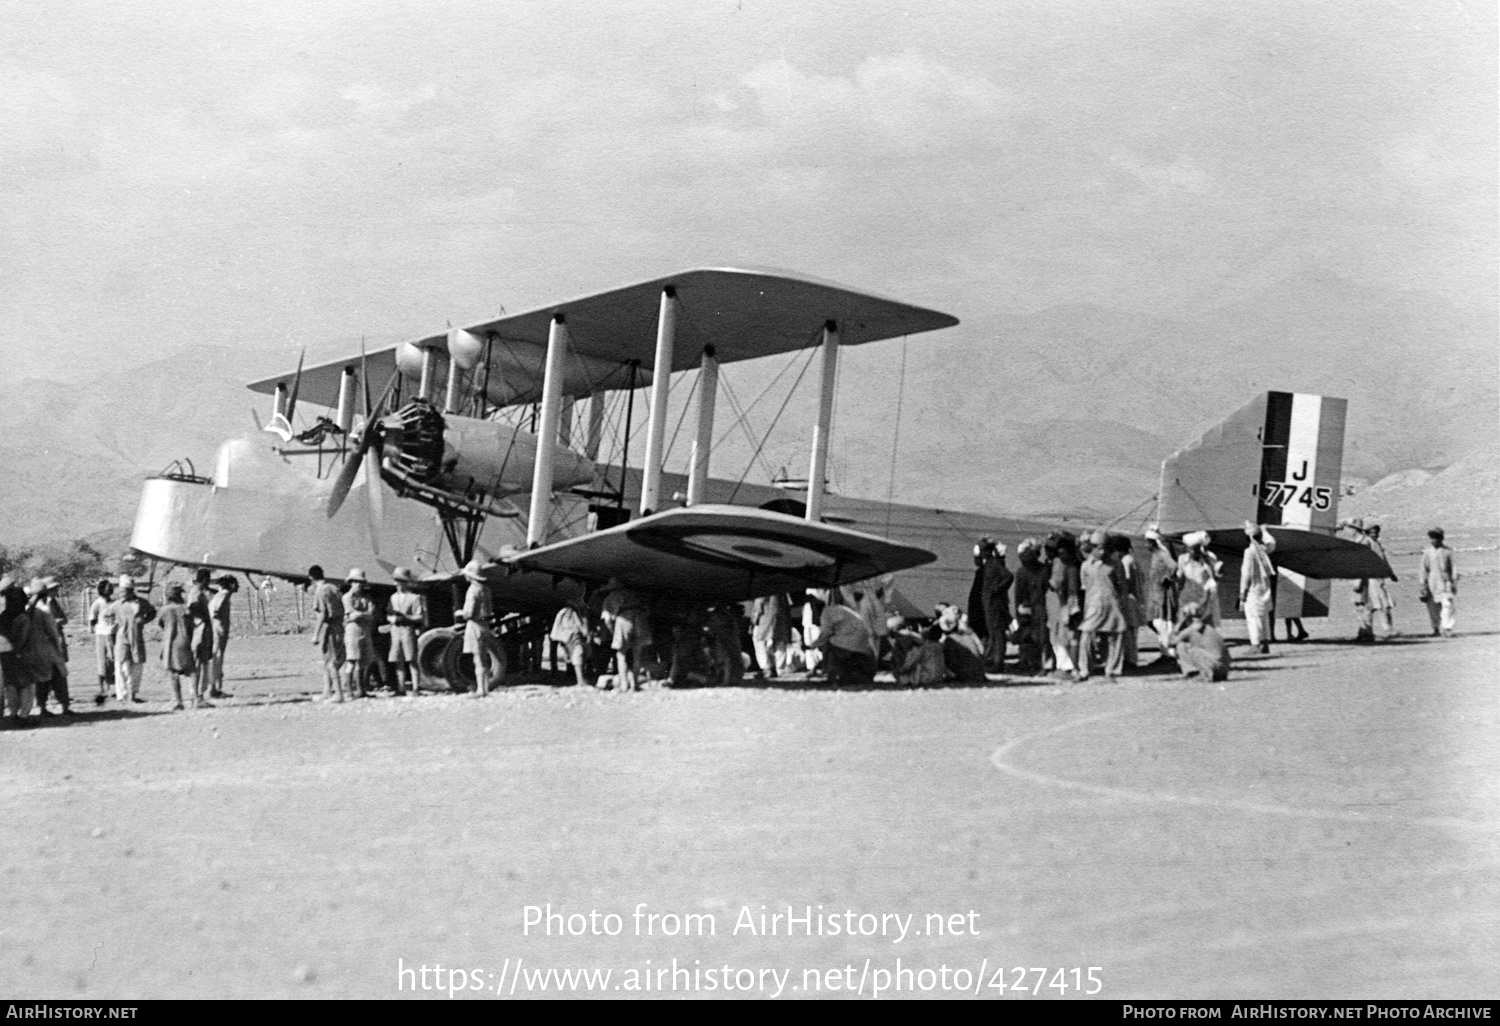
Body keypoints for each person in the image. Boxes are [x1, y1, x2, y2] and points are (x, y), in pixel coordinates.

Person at [1077, 532, 1126, 681]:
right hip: (1093, 606)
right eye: (1098, 548)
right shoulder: (1085, 566)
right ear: (1091, 548)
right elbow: (1085, 588)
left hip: (1112, 605)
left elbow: (1122, 586)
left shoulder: (1116, 564)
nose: (1102, 552)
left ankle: (1112, 670)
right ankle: (1084, 670)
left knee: (1115, 636)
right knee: (1086, 635)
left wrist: (1121, 604)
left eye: (1105, 548)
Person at [813, 588, 877, 689]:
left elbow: (825, 634)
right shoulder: (842, 610)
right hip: (864, 649)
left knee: (828, 644)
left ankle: (831, 675)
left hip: (850, 647)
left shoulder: (827, 611)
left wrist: (812, 645)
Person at [25, 578, 71, 716]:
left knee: (41, 680)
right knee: (59, 677)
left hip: (33, 650)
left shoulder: (27, 609)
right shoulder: (43, 610)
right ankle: (64, 707)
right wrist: (58, 649)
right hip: (47, 648)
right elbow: (52, 632)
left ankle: (43, 708)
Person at [599, 577, 653, 692]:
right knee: (637, 654)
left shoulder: (610, 598)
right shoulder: (634, 594)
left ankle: (624, 685)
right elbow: (647, 610)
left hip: (624, 619)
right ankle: (634, 684)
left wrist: (613, 632)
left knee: (621, 654)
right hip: (640, 618)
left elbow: (607, 619)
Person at [110, 575, 155, 703]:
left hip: (137, 638)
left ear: (131, 591)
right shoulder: (116, 605)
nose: (122, 594)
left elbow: (152, 612)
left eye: (125, 591)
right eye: (121, 591)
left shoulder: (141, 603)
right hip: (122, 638)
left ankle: (132, 694)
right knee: (122, 666)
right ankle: (122, 695)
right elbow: (107, 618)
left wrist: (144, 621)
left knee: (137, 666)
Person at [156, 583, 200, 710]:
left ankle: (178, 701)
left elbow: (161, 624)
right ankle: (195, 698)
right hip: (185, 641)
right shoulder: (185, 608)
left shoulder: (165, 610)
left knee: (173, 672)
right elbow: (192, 624)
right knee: (192, 671)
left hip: (170, 643)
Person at [386, 567, 428, 696]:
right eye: (396, 581)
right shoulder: (393, 598)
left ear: (406, 582)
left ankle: (416, 687)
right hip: (395, 630)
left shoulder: (414, 598)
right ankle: (401, 687)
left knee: (411, 659)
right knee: (398, 660)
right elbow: (388, 614)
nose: (397, 584)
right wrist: (392, 618)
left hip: (408, 629)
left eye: (400, 581)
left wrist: (405, 617)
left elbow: (420, 616)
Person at [1046, 532, 1082, 677]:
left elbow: (1072, 591)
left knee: (1067, 638)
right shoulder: (1068, 565)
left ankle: (1069, 668)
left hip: (1069, 606)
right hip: (1063, 605)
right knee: (1063, 637)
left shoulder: (1070, 568)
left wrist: (1071, 609)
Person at [1012, 538, 1050, 676]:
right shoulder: (1024, 572)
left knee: (1040, 638)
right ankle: (1029, 663)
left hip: (1040, 608)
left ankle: (1040, 664)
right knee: (1029, 638)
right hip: (1030, 609)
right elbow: (1019, 596)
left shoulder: (1042, 570)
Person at [307, 565, 346, 700]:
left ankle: (338, 693)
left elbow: (322, 614)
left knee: (330, 662)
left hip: (330, 628)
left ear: (311, 578)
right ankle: (327, 691)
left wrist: (315, 634)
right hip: (340, 627)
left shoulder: (321, 591)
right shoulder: (334, 588)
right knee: (329, 660)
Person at [1239, 521, 1278, 653]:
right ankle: (1265, 643)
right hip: (1264, 587)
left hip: (1253, 588)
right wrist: (1265, 531)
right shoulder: (1264, 549)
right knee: (1264, 615)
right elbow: (1272, 542)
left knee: (1252, 617)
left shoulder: (1249, 552)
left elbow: (1246, 573)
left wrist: (1242, 591)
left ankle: (1255, 645)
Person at [1143, 527, 1180, 666]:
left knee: (1163, 622)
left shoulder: (1161, 553)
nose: (1145, 545)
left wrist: (1167, 578)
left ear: (1153, 542)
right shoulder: (1155, 555)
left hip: (1163, 593)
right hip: (1156, 592)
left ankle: (1169, 655)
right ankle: (1167, 652)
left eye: (1147, 542)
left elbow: (1174, 566)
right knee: (1158, 622)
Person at [1, 576, 34, 724]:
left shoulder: (3, 617)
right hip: (19, 653)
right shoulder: (22, 618)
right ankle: (23, 716)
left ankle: (14, 713)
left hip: (6, 653)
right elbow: (21, 638)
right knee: (26, 684)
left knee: (11, 684)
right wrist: (19, 651)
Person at [977, 540, 1014, 673]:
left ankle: (998, 662)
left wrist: (997, 589)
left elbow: (1009, 576)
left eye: (983, 550)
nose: (981, 553)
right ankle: (994, 659)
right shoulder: (988, 564)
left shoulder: (995, 563)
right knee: (993, 632)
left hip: (994, 604)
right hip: (989, 603)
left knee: (997, 633)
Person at [1169, 603, 1230, 682]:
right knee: (1197, 647)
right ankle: (1215, 674)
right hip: (1224, 667)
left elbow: (1171, 643)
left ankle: (1195, 673)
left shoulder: (1192, 628)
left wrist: (1180, 622)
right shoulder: (1209, 627)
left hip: (1213, 666)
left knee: (1182, 646)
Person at [342, 569, 378, 697]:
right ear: (351, 582)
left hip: (364, 630)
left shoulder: (366, 598)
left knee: (363, 661)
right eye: (356, 581)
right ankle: (349, 691)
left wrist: (360, 615)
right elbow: (352, 615)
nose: (358, 584)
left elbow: (371, 615)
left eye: (360, 582)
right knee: (351, 660)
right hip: (353, 631)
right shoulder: (347, 597)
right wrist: (364, 615)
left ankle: (361, 689)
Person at [1419, 527, 1458, 637]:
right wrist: (1422, 584)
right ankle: (1436, 628)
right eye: (1432, 538)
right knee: (1433, 607)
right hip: (1432, 583)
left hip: (1446, 582)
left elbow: (1453, 567)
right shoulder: (1427, 552)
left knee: (1447, 605)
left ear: (1441, 538)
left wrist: (1454, 581)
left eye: (1436, 538)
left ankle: (1447, 628)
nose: (1433, 540)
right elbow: (1423, 569)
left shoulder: (1448, 551)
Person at [1176, 532, 1222, 626]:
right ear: (1187, 549)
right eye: (1191, 549)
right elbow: (1180, 577)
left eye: (1196, 549)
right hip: (1188, 593)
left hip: (1204, 594)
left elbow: (1217, 575)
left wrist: (1211, 585)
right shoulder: (1183, 559)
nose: (1193, 552)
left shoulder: (1208, 558)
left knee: (1205, 619)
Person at [936, 603, 987, 682]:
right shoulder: (969, 636)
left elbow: (951, 662)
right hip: (979, 673)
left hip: (967, 675)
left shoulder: (951, 640)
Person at [549, 596, 592, 688]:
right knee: (578, 655)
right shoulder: (568, 612)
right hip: (572, 636)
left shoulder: (567, 612)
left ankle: (580, 679)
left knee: (577, 655)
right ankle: (580, 680)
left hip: (571, 637)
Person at [186, 568, 215, 701]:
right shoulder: (196, 594)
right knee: (199, 663)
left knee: (202, 662)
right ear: (204, 579)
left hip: (202, 630)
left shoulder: (197, 592)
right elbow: (194, 613)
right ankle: (196, 695)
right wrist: (202, 626)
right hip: (200, 632)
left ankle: (199, 694)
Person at [749, 592, 792, 679]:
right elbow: (788, 606)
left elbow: (758, 608)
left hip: (765, 622)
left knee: (761, 644)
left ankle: (767, 669)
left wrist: (752, 623)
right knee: (780, 645)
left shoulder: (763, 590)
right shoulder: (783, 592)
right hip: (781, 621)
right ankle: (779, 670)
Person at [207, 576, 237, 697]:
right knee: (217, 657)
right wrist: (218, 625)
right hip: (218, 631)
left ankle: (216, 687)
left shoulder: (221, 595)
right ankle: (213, 689)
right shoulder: (223, 595)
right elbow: (214, 610)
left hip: (218, 631)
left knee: (218, 657)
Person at [88, 578, 116, 705]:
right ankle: (102, 688)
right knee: (102, 662)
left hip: (113, 634)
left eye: (111, 587)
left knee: (113, 661)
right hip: (101, 635)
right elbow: (92, 620)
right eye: (108, 587)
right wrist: (94, 630)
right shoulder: (97, 603)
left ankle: (112, 688)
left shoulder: (115, 603)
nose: (111, 589)